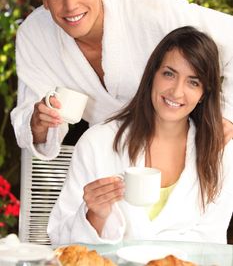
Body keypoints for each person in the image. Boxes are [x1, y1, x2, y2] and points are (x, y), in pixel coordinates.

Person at [10, 0, 233, 160]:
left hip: (192, 148)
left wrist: (227, 115)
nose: (71, 5)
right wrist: (38, 123)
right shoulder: (34, 35)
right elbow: (29, 116)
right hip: (112, 155)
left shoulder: (149, 8)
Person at [48, 26, 233, 245]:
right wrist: (94, 215)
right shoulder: (96, 143)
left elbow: (212, 242)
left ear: (204, 94)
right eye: (169, 74)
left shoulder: (221, 153)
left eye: (193, 82)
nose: (176, 92)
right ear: (152, 75)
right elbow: (60, 240)